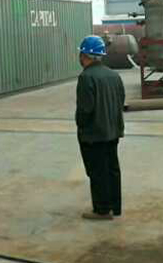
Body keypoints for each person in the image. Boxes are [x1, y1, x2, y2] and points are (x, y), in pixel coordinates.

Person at [76, 35, 125, 221]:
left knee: (98, 171)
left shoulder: (86, 77)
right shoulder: (114, 75)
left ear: (85, 55)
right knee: (112, 169)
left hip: (94, 134)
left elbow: (85, 110)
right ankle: (115, 207)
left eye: (81, 54)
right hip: (113, 131)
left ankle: (102, 210)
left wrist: (81, 126)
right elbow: (120, 101)